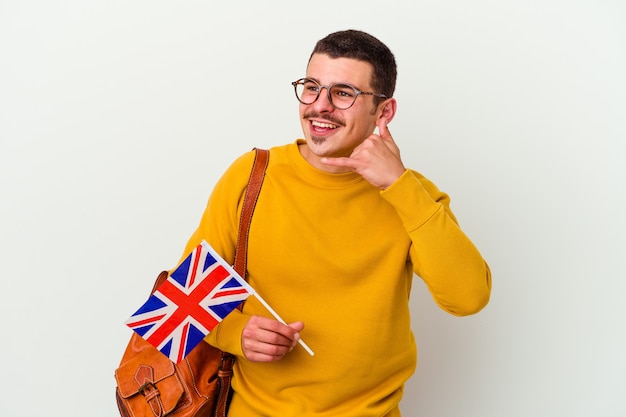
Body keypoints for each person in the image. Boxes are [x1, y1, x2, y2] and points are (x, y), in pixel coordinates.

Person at [179, 29, 492, 417]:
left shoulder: (412, 194)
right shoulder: (251, 176)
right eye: (311, 87)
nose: (320, 106)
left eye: (343, 93)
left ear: (384, 111)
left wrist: (398, 185)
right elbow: (180, 301)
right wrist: (235, 333)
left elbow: (468, 297)